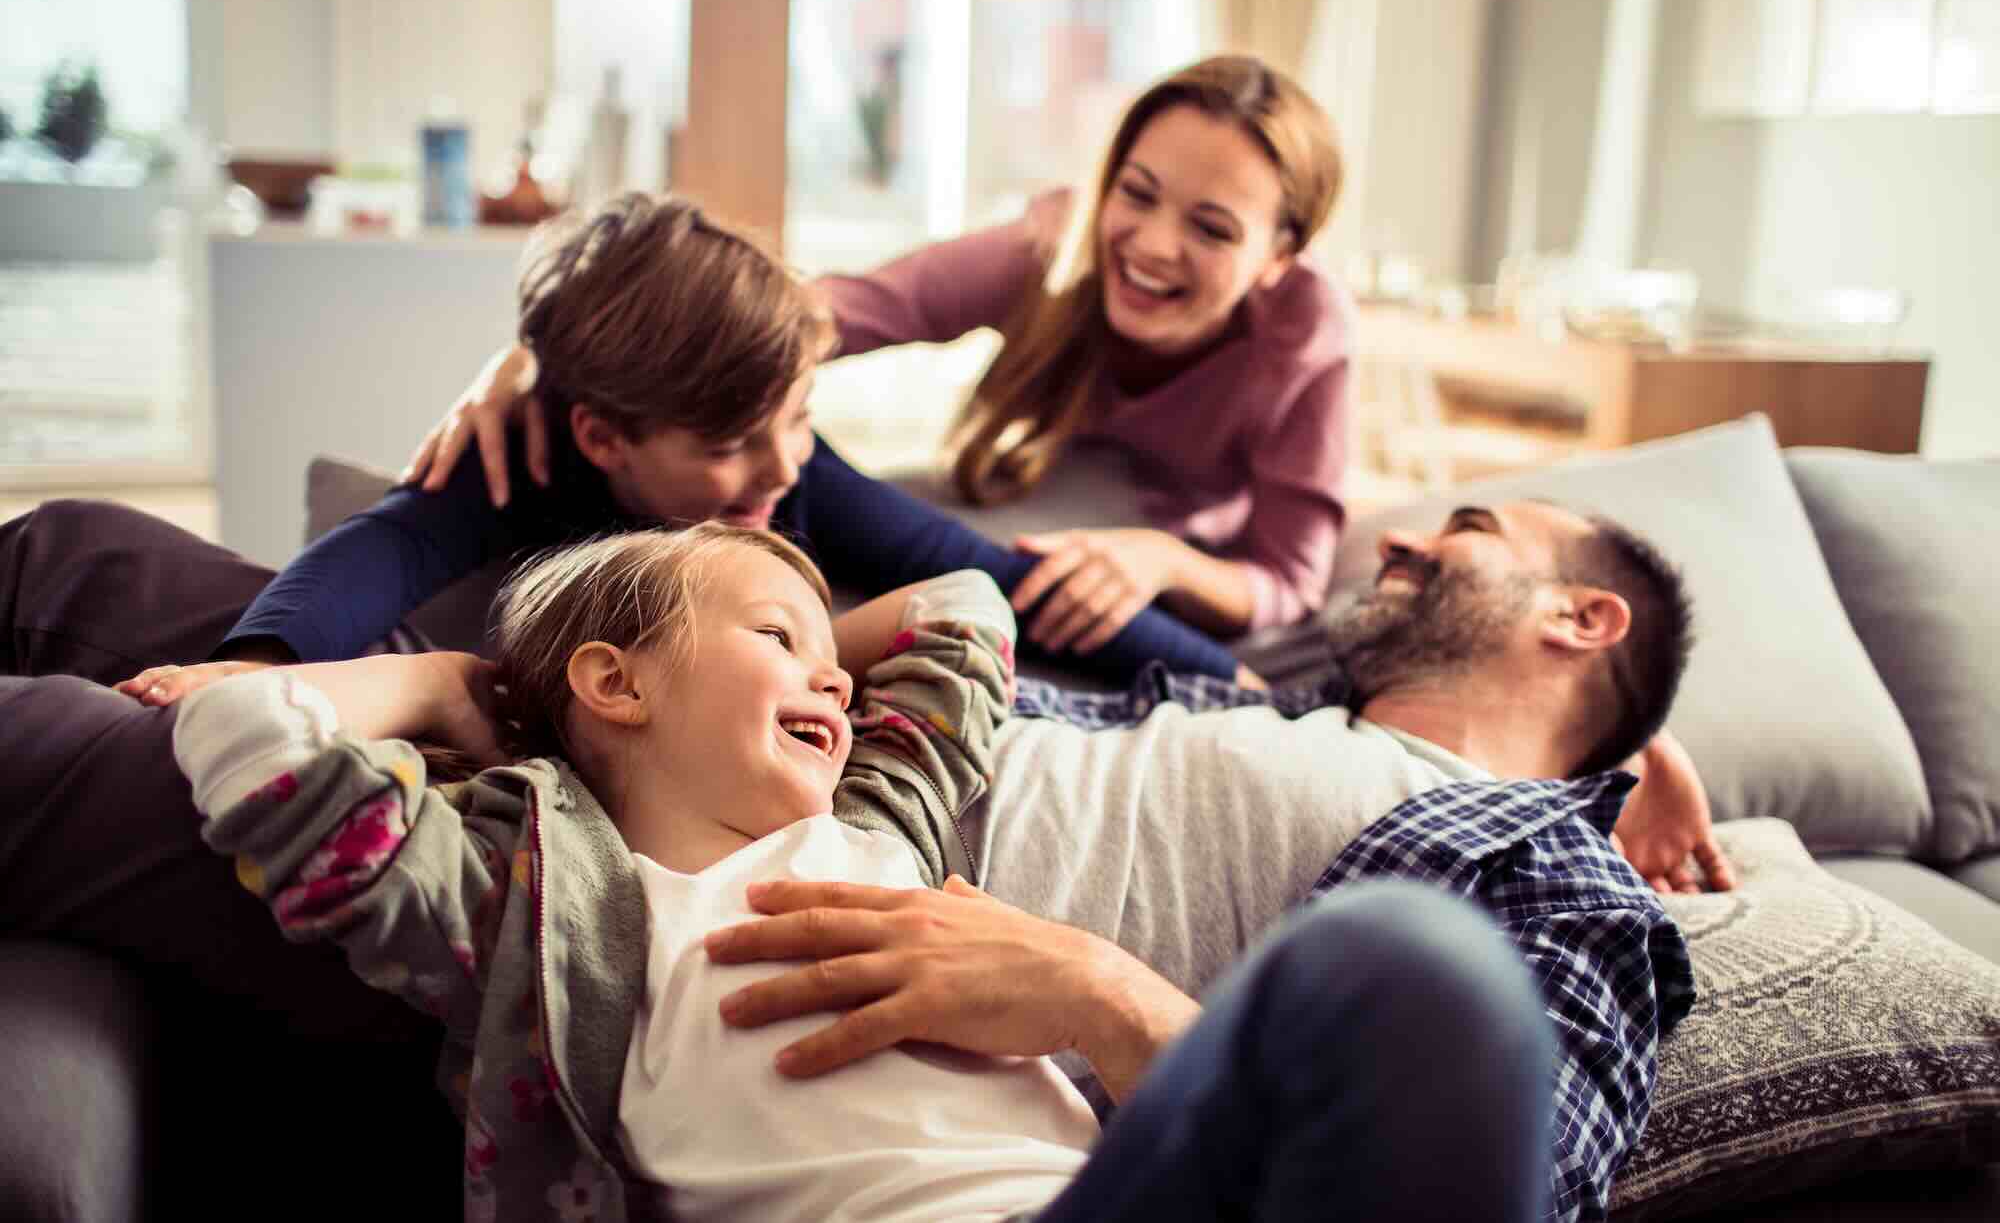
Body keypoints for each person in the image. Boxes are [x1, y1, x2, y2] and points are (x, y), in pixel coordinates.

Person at [0, 494, 1720, 1219]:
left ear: (1585, 622)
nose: (1404, 531)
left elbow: (1483, 1179)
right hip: (638, 752)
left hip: (632, 952)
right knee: (76, 555)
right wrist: (526, 672)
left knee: (1410, 979)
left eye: (1467, 528)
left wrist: (1099, 994)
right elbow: (949, 597)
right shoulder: (1246, 697)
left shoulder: (1553, 876)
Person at [133, 191, 1245, 711]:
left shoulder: (793, 475)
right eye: (729, 445)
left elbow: (978, 567)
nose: (779, 465)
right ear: (601, 436)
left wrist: (1227, 676)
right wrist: (261, 665)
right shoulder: (529, 460)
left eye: (798, 417)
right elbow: (384, 546)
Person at [408, 54, 1353, 658]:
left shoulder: (1306, 336)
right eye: (1136, 194)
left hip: (1159, 557)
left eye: (1211, 228)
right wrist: (539, 359)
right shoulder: (1050, 249)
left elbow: (1292, 578)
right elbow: (784, 322)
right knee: (845, 545)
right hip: (1021, 501)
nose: (1151, 244)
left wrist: (1163, 563)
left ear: (1281, 253)